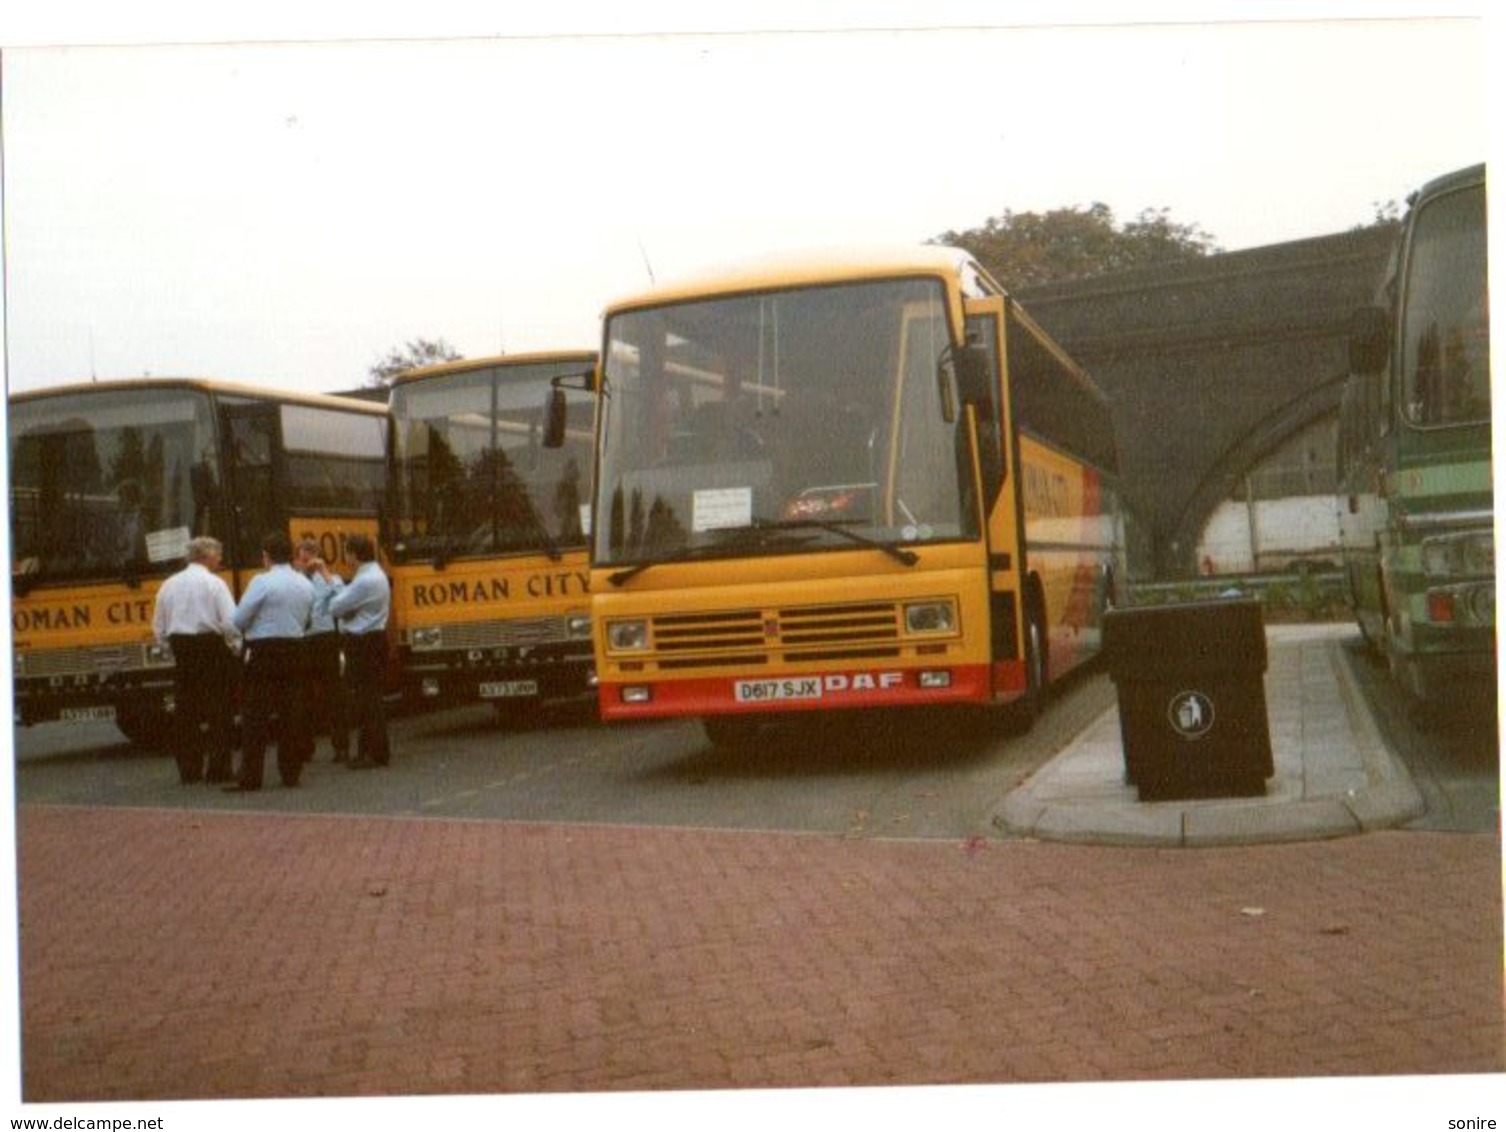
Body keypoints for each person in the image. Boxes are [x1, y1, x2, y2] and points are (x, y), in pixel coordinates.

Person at [227, 531, 314, 791]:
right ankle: (290, 773)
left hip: (263, 651)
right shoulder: (305, 584)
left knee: (255, 716)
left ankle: (251, 776)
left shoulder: (261, 582)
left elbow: (239, 619)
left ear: (266, 556)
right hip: (295, 648)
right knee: (291, 713)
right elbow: (308, 620)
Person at [151, 536, 240, 784]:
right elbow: (230, 623)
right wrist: (235, 647)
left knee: (186, 712)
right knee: (219, 710)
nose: (220, 559)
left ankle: (189, 770)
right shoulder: (215, 584)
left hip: (183, 650)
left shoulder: (168, 585)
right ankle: (219, 768)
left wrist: (169, 649)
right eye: (218, 555)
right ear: (207, 555)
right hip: (210, 648)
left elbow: (158, 626)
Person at [329, 533, 391, 769]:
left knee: (365, 699)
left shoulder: (364, 580)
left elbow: (335, 607)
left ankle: (373, 753)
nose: (345, 557)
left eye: (347, 552)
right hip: (376, 639)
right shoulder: (378, 575)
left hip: (362, 642)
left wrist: (347, 610)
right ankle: (374, 751)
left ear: (354, 554)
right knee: (372, 697)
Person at [295, 537, 350, 763]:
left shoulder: (331, 579)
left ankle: (341, 746)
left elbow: (343, 600)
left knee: (334, 694)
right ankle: (305, 747)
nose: (306, 563)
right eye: (302, 558)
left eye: (311, 559)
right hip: (304, 640)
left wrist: (324, 572)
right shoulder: (295, 582)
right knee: (303, 696)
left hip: (326, 639)